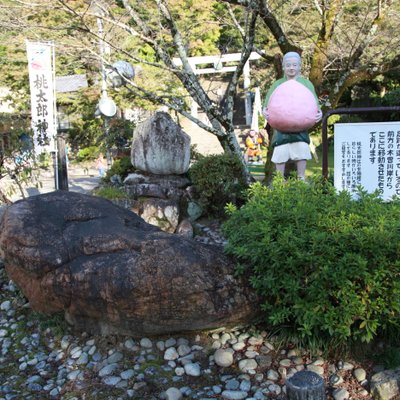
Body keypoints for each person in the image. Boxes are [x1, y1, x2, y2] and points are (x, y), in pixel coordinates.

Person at [263, 52, 322, 180]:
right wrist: (265, 111)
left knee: (301, 150)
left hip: (301, 129)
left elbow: (315, 103)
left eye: (294, 65)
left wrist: (319, 112)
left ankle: (301, 177)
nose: (291, 68)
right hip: (281, 129)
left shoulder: (306, 84)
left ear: (300, 67)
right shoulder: (277, 84)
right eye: (288, 65)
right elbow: (267, 103)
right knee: (280, 152)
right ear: (283, 67)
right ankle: (279, 179)